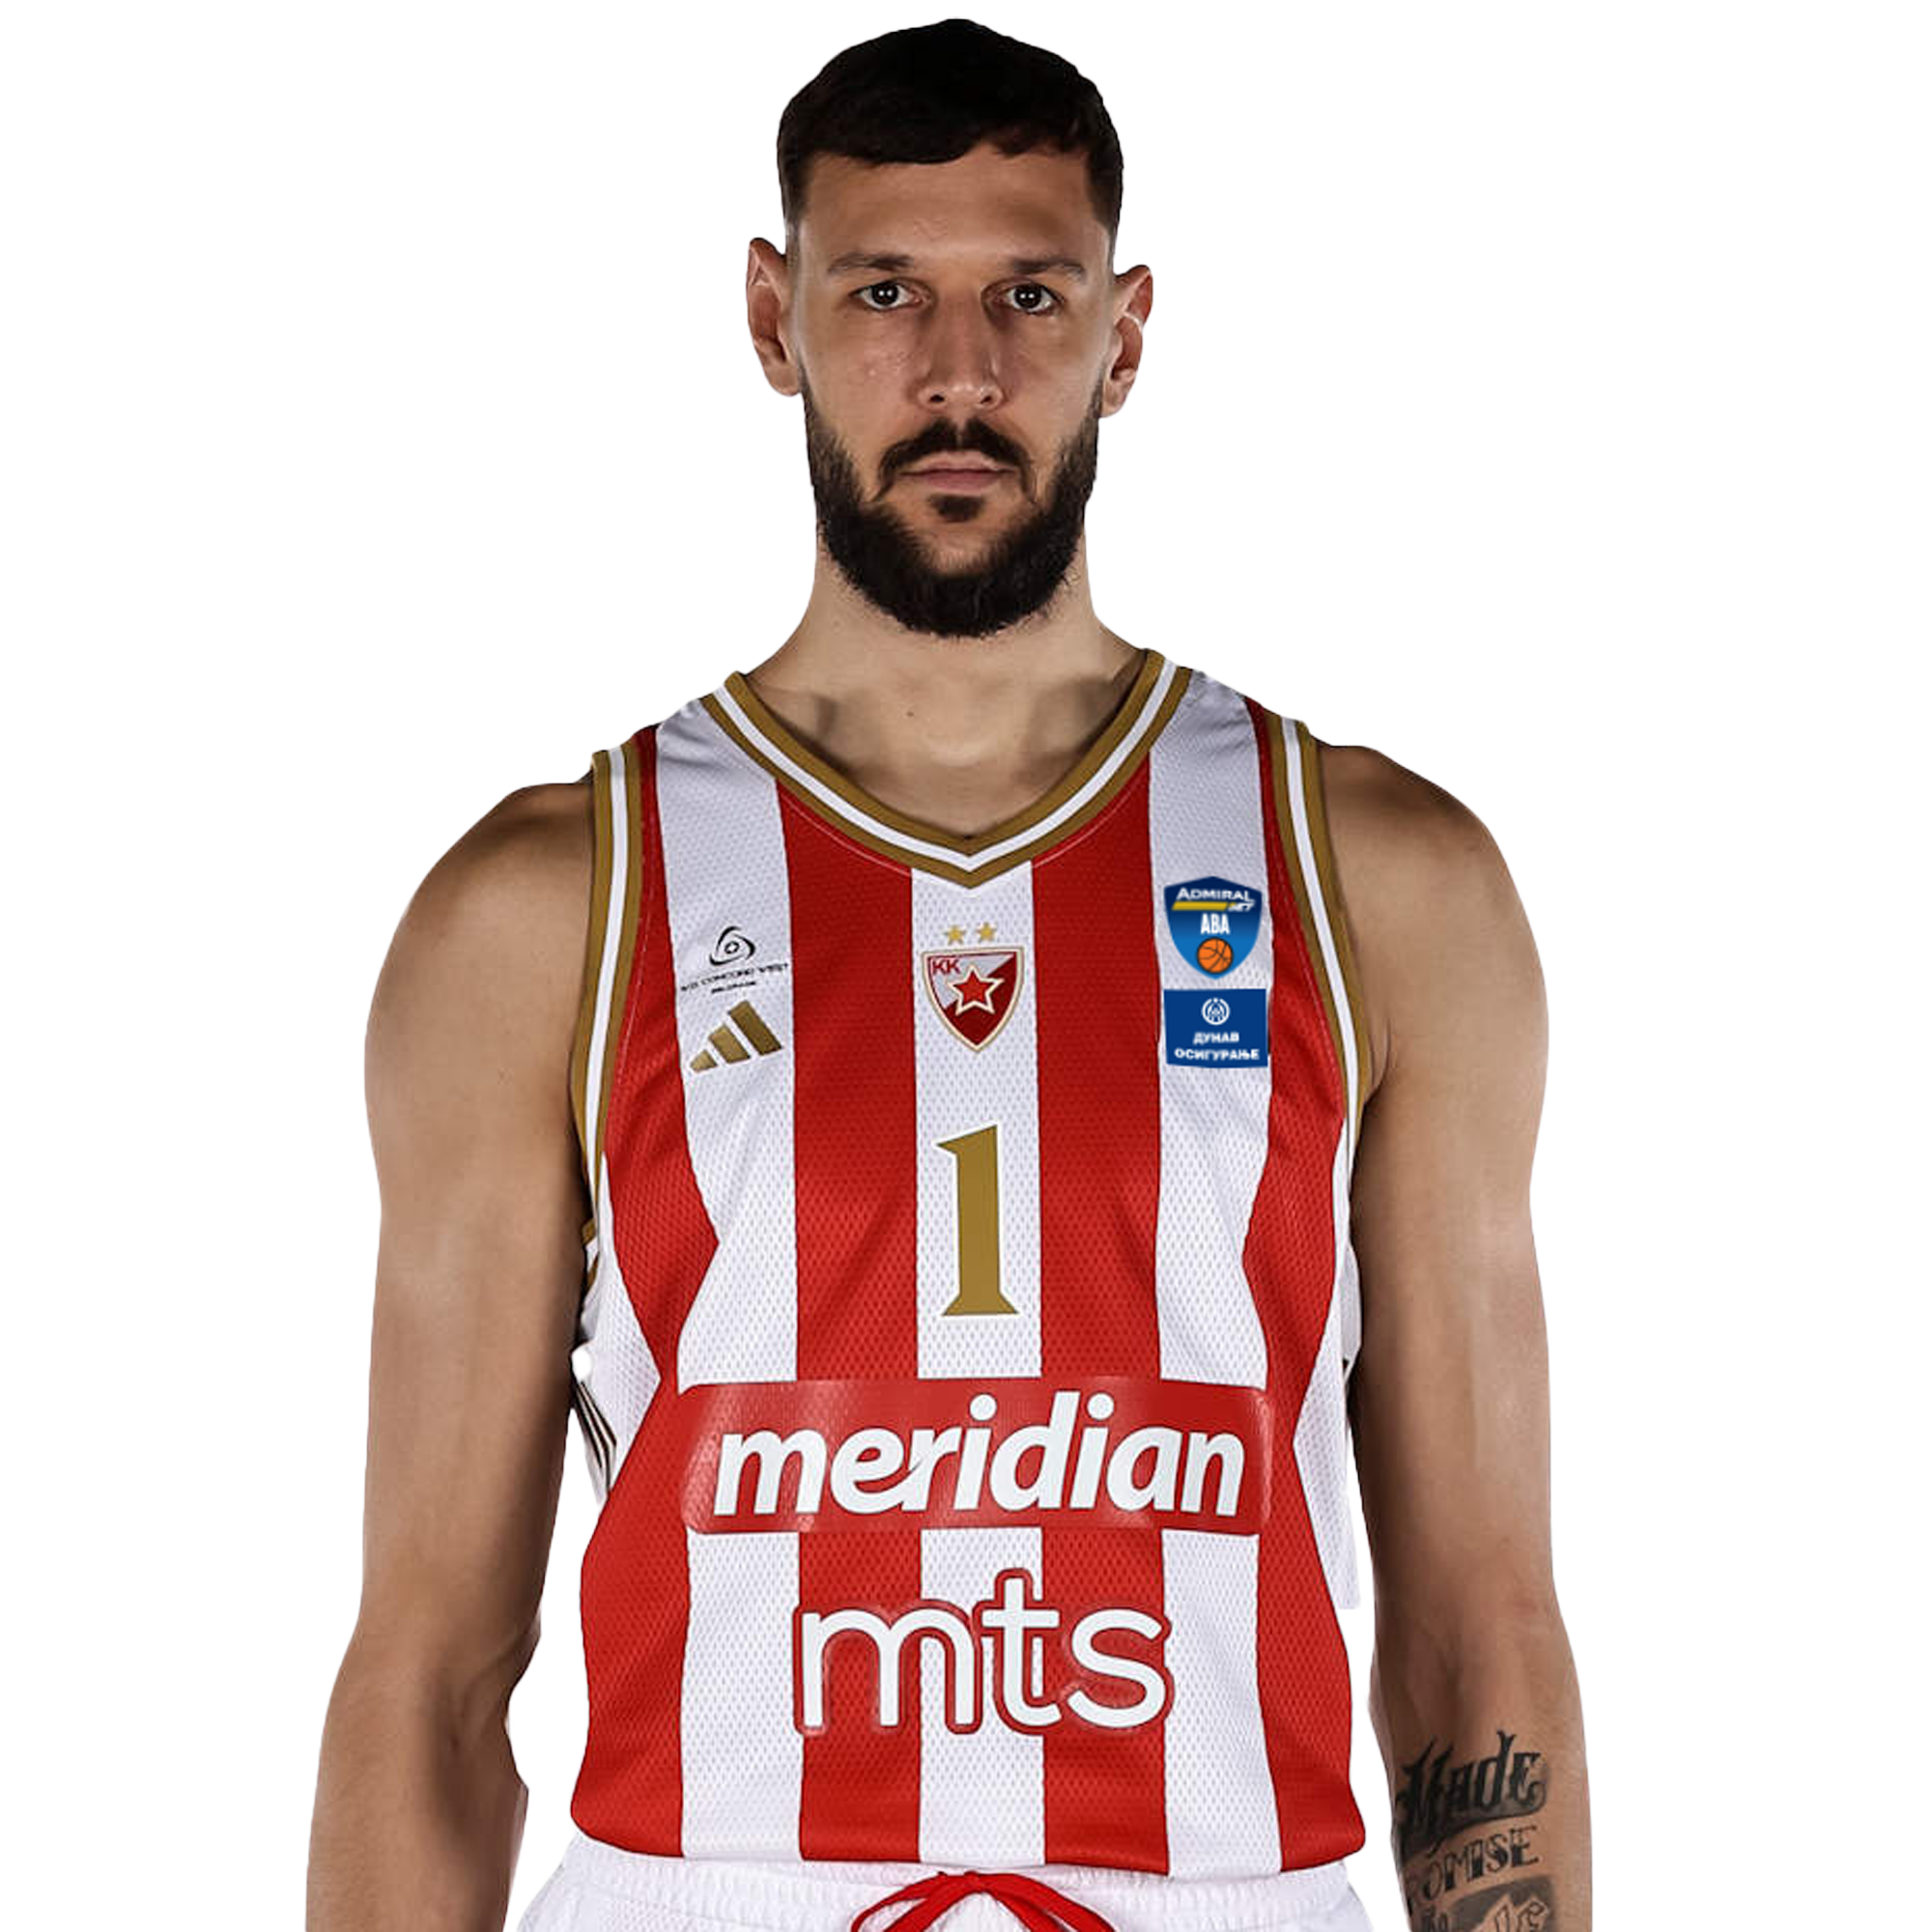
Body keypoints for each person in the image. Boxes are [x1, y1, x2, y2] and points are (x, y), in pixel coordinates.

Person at [306, 21, 1590, 1932]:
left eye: (1030, 295)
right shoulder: (550, 901)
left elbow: (1479, 1619)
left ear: (1127, 332)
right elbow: (428, 1660)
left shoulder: (1374, 879)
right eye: (887, 291)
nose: (959, 373)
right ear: (775, 317)